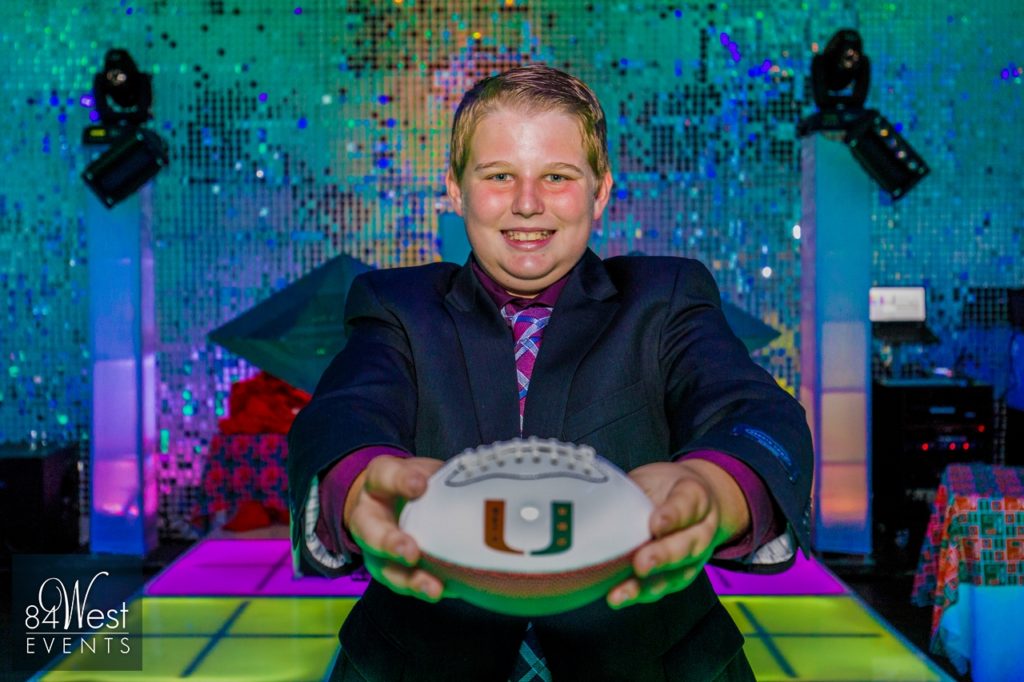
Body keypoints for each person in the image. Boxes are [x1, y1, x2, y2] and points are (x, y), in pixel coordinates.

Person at [288, 63, 813, 682]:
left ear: (600, 191)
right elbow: (347, 411)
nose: (528, 203)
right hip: (420, 661)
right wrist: (360, 483)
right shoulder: (396, 306)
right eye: (499, 175)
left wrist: (715, 489)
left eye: (557, 177)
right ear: (456, 190)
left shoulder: (666, 297)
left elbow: (752, 410)